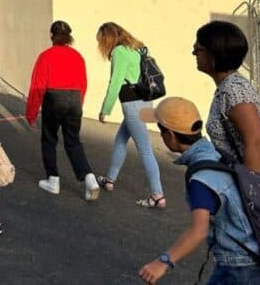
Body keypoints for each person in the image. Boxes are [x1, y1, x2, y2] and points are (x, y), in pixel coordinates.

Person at [138, 98, 260, 285]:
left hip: (238, 267)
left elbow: (198, 231)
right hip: (255, 257)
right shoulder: (217, 155)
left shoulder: (201, 178)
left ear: (170, 136)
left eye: (161, 132)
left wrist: (162, 262)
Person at [195, 21, 260, 194]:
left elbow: (255, 142)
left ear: (214, 53)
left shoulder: (234, 89)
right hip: (248, 182)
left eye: (199, 48)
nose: (194, 52)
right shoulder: (228, 87)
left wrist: (249, 196)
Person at [26, 21, 100, 200]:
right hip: (74, 99)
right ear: (69, 36)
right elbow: (83, 84)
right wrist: (78, 104)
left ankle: (53, 180)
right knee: (73, 141)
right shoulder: (77, 56)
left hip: (53, 98)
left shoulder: (46, 56)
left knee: (49, 139)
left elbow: (37, 86)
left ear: (51, 35)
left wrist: (31, 113)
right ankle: (90, 178)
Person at [95, 22, 166, 209]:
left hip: (132, 104)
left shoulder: (119, 52)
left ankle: (158, 195)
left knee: (145, 149)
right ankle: (110, 180)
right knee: (120, 139)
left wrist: (105, 109)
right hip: (146, 102)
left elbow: (115, 82)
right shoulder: (136, 49)